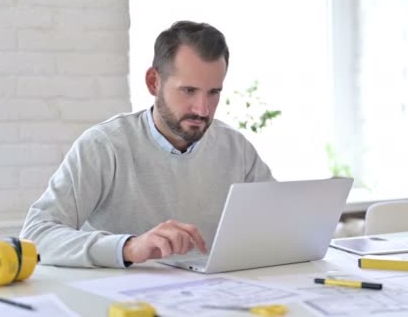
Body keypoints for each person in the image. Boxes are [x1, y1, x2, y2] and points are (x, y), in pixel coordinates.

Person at [20, 21, 274, 268]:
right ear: (154, 82)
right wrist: (128, 247)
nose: (202, 109)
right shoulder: (105, 145)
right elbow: (35, 236)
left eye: (213, 92)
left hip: (216, 297)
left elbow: (283, 226)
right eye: (188, 91)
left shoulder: (236, 149)